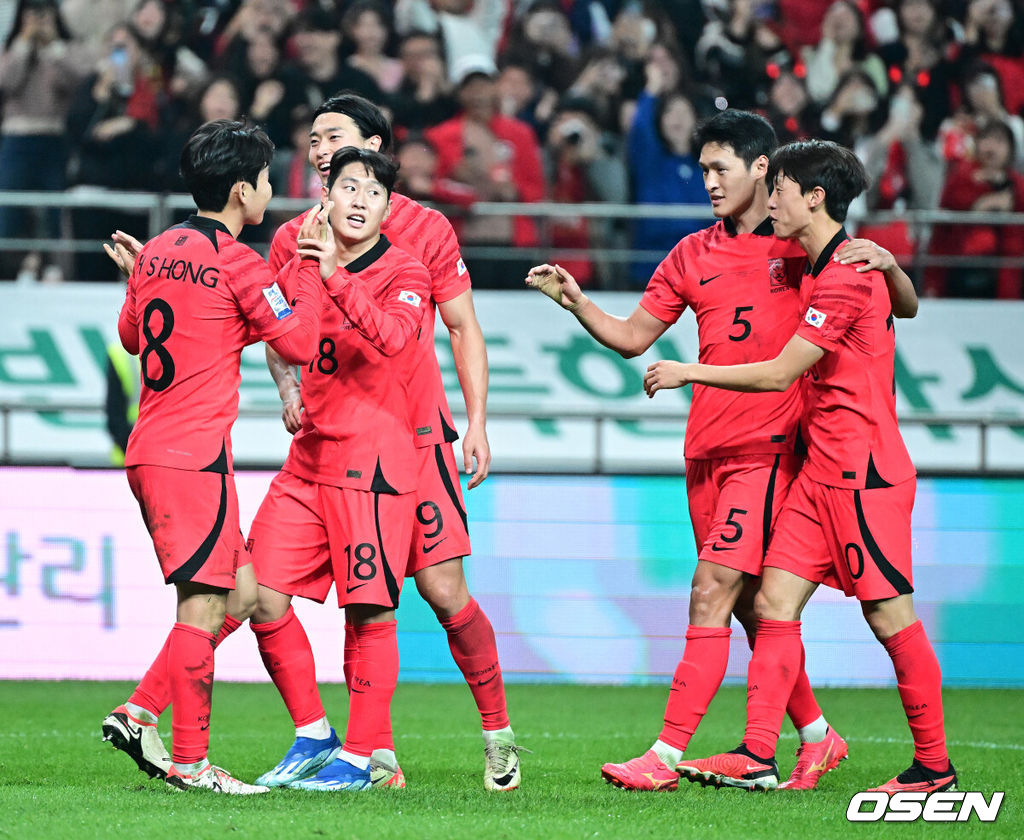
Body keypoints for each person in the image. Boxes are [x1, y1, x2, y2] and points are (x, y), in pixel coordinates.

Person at [526, 109, 918, 793]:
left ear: (763, 170)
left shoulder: (804, 249)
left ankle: (666, 755)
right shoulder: (690, 254)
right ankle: (819, 738)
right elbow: (632, 338)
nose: (708, 181)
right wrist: (578, 303)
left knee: (712, 592)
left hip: (769, 449)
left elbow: (889, 307)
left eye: (720, 168)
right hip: (706, 449)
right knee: (747, 607)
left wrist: (888, 261)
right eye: (703, 168)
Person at [648, 139, 955, 794]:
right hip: (820, 470)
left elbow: (784, 370)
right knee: (772, 603)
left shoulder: (843, 274)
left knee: (888, 616)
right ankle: (760, 754)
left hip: (865, 472)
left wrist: (687, 371)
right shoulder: (825, 263)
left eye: (781, 188)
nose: (773, 200)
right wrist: (898, 267)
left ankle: (934, 767)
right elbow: (908, 304)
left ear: (813, 197)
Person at [256, 93, 521, 791]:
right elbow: (278, 332)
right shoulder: (295, 235)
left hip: (416, 437)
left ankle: (497, 731)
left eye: (333, 137)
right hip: (331, 442)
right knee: (355, 589)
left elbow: (461, 326)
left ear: (376, 146)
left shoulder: (424, 233)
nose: (317, 149)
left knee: (442, 591)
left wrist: (479, 421)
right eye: (313, 138)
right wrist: (288, 392)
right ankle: (369, 753)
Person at [101, 118, 331, 793]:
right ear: (240, 191)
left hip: (155, 449)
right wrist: (312, 269)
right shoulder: (238, 261)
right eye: (264, 181)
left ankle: (145, 713)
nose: (268, 192)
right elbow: (296, 344)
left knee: (248, 591)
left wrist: (139, 278)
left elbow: (134, 336)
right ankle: (194, 764)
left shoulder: (157, 252)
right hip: (192, 456)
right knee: (203, 609)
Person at [244, 147, 431, 792]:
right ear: (327, 191)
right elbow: (276, 330)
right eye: (348, 186)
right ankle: (313, 732)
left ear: (387, 208)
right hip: (308, 457)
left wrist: (334, 278)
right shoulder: (297, 251)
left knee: (370, 612)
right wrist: (287, 389)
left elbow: (396, 338)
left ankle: (362, 759)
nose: (358, 200)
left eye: (372, 193)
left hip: (374, 463)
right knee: (258, 591)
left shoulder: (407, 269)